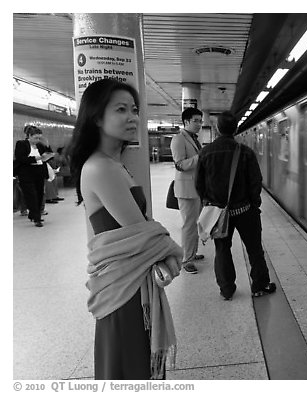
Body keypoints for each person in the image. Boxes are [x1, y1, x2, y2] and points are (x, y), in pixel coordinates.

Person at [68, 78, 183, 380]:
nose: (132, 117)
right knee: (131, 364)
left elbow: (144, 229)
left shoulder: (113, 163)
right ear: (96, 117)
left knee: (133, 361)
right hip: (125, 291)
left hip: (129, 283)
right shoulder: (101, 168)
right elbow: (144, 234)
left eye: (134, 109)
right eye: (121, 109)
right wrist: (173, 249)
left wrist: (160, 240)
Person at [196, 111, 276, 301]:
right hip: (245, 210)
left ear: (217, 128)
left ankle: (227, 289)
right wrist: (253, 204)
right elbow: (256, 182)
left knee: (222, 249)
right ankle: (259, 286)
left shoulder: (205, 153)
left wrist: (210, 203)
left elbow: (199, 185)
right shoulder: (245, 152)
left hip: (218, 213)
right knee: (254, 249)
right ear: (236, 129)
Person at [170, 107, 206, 274]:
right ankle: (187, 260)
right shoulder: (179, 139)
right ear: (186, 122)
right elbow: (180, 165)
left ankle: (192, 252)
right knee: (189, 226)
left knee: (195, 223)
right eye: (196, 121)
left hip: (195, 189)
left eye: (200, 121)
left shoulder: (193, 138)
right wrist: (200, 157)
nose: (199, 124)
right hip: (186, 190)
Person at [13, 125, 52, 227]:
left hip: (39, 172)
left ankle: (34, 214)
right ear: (29, 136)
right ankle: (37, 218)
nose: (37, 140)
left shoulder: (39, 145)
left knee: (39, 195)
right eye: (35, 138)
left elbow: (48, 154)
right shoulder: (21, 144)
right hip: (26, 173)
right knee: (31, 195)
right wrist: (37, 158)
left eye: (39, 138)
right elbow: (20, 158)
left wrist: (46, 145)